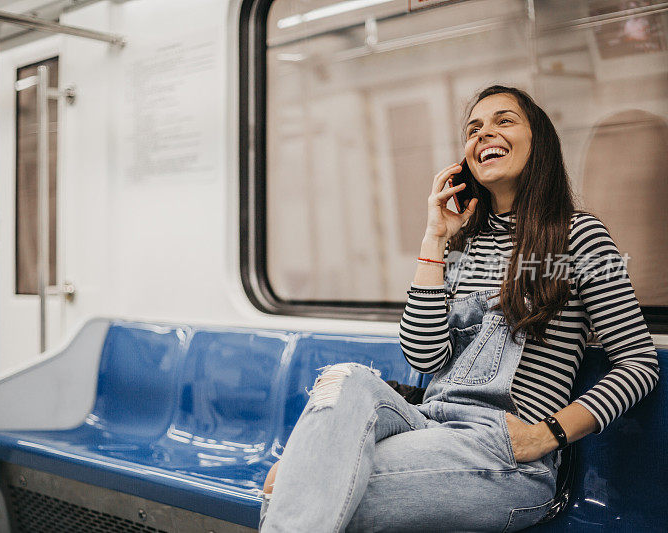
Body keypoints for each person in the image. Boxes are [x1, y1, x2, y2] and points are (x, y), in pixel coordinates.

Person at [258, 85, 660, 532]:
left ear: (539, 140)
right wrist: (434, 239)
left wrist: (548, 433)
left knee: (303, 485)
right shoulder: (461, 247)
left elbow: (639, 364)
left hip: (504, 454)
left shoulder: (579, 237)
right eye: (474, 128)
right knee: (345, 379)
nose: (485, 132)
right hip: (427, 426)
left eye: (504, 121)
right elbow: (425, 357)